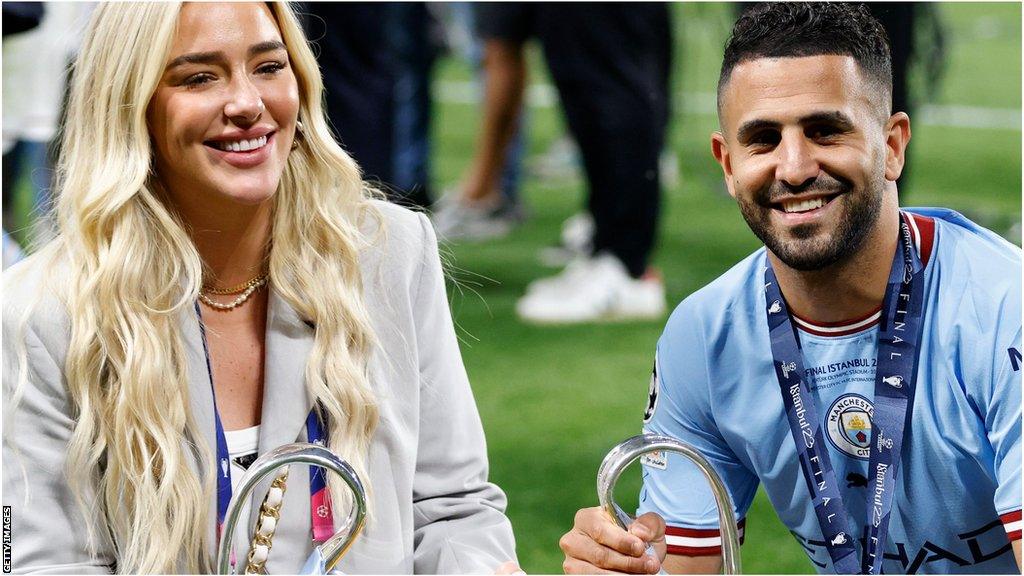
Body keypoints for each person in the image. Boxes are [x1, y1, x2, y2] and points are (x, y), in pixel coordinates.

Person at [2, 3, 519, 573]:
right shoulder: (41, 313)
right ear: (131, 105)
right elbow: (36, 559)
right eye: (199, 77)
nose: (247, 104)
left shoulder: (389, 253)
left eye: (269, 67)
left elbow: (453, 510)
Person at [560, 3, 1020, 574]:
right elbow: (684, 567)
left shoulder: (1004, 309)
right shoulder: (705, 336)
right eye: (763, 140)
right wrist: (622, 566)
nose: (795, 167)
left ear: (893, 146)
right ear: (727, 164)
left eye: (825, 130)